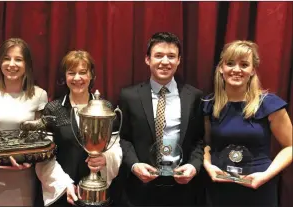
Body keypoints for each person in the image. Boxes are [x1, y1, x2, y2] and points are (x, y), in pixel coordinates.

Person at [0, 38, 73, 206]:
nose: (11, 64)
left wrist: (28, 161)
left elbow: (39, 140)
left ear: (27, 64)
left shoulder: (39, 95)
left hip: (22, 177)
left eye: (18, 59)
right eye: (7, 58)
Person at [118, 32, 205, 206]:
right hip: (140, 187)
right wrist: (134, 165)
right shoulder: (129, 96)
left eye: (171, 56)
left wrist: (194, 166)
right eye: (158, 55)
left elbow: (199, 140)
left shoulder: (193, 96)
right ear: (147, 59)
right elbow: (123, 138)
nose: (165, 62)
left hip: (181, 188)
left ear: (179, 60)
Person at [202, 40, 292, 206]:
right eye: (230, 63)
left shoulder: (269, 104)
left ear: (252, 71)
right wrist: (208, 166)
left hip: (259, 187)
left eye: (244, 65)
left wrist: (265, 175)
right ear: (221, 69)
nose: (237, 70)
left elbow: (290, 147)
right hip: (219, 189)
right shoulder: (209, 105)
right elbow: (205, 145)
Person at [42, 50, 123, 206]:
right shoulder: (52, 109)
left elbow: (115, 145)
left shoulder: (106, 107)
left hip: (98, 193)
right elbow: (45, 157)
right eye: (71, 73)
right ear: (64, 76)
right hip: (63, 193)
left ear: (91, 75)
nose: (77, 78)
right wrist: (64, 184)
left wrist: (106, 159)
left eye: (83, 72)